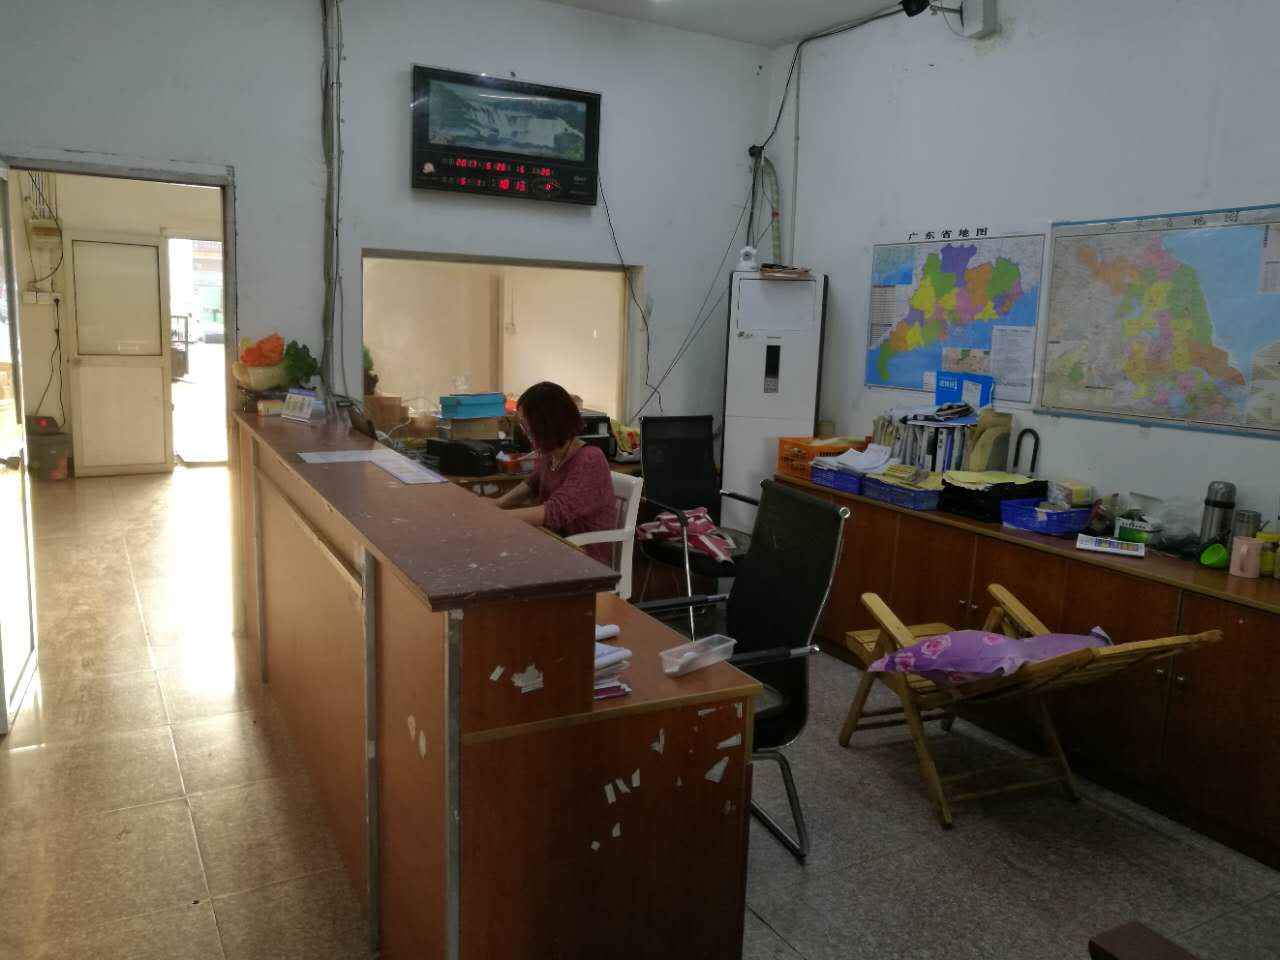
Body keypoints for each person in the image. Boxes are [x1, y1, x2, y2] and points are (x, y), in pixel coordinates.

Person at [495, 382, 615, 563]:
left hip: (583, 556)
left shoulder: (589, 460)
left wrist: (500, 517)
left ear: (547, 425)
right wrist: (497, 503)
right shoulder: (552, 454)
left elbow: (554, 512)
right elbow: (532, 483)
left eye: (527, 426)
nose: (525, 432)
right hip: (554, 543)